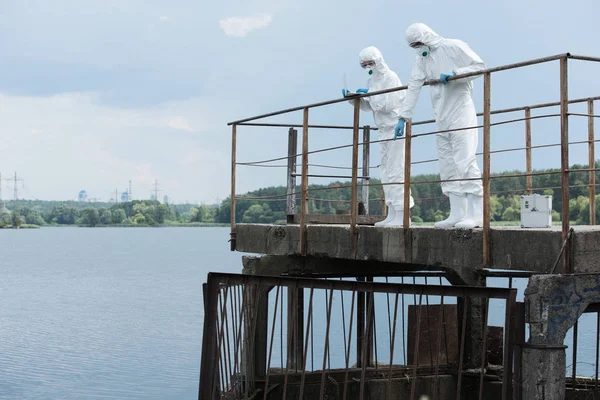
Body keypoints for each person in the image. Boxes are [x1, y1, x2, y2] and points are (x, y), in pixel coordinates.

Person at [394, 23, 486, 229]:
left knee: (465, 158)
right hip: (441, 114)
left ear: (427, 37)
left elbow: (480, 66)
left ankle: (476, 212)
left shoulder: (452, 46)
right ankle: (457, 212)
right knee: (447, 163)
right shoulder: (422, 59)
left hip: (460, 109)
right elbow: (414, 86)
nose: (418, 48)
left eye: (418, 43)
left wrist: (456, 73)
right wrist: (403, 117)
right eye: (413, 46)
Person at [343, 46, 414, 227]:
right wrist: (354, 99)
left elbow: (387, 104)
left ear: (378, 60)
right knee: (386, 171)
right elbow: (372, 106)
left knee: (397, 170)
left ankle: (403, 214)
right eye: (365, 64)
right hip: (383, 129)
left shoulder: (391, 77)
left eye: (370, 63)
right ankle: (392, 212)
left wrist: (369, 94)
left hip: (395, 127)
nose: (368, 66)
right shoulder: (371, 81)